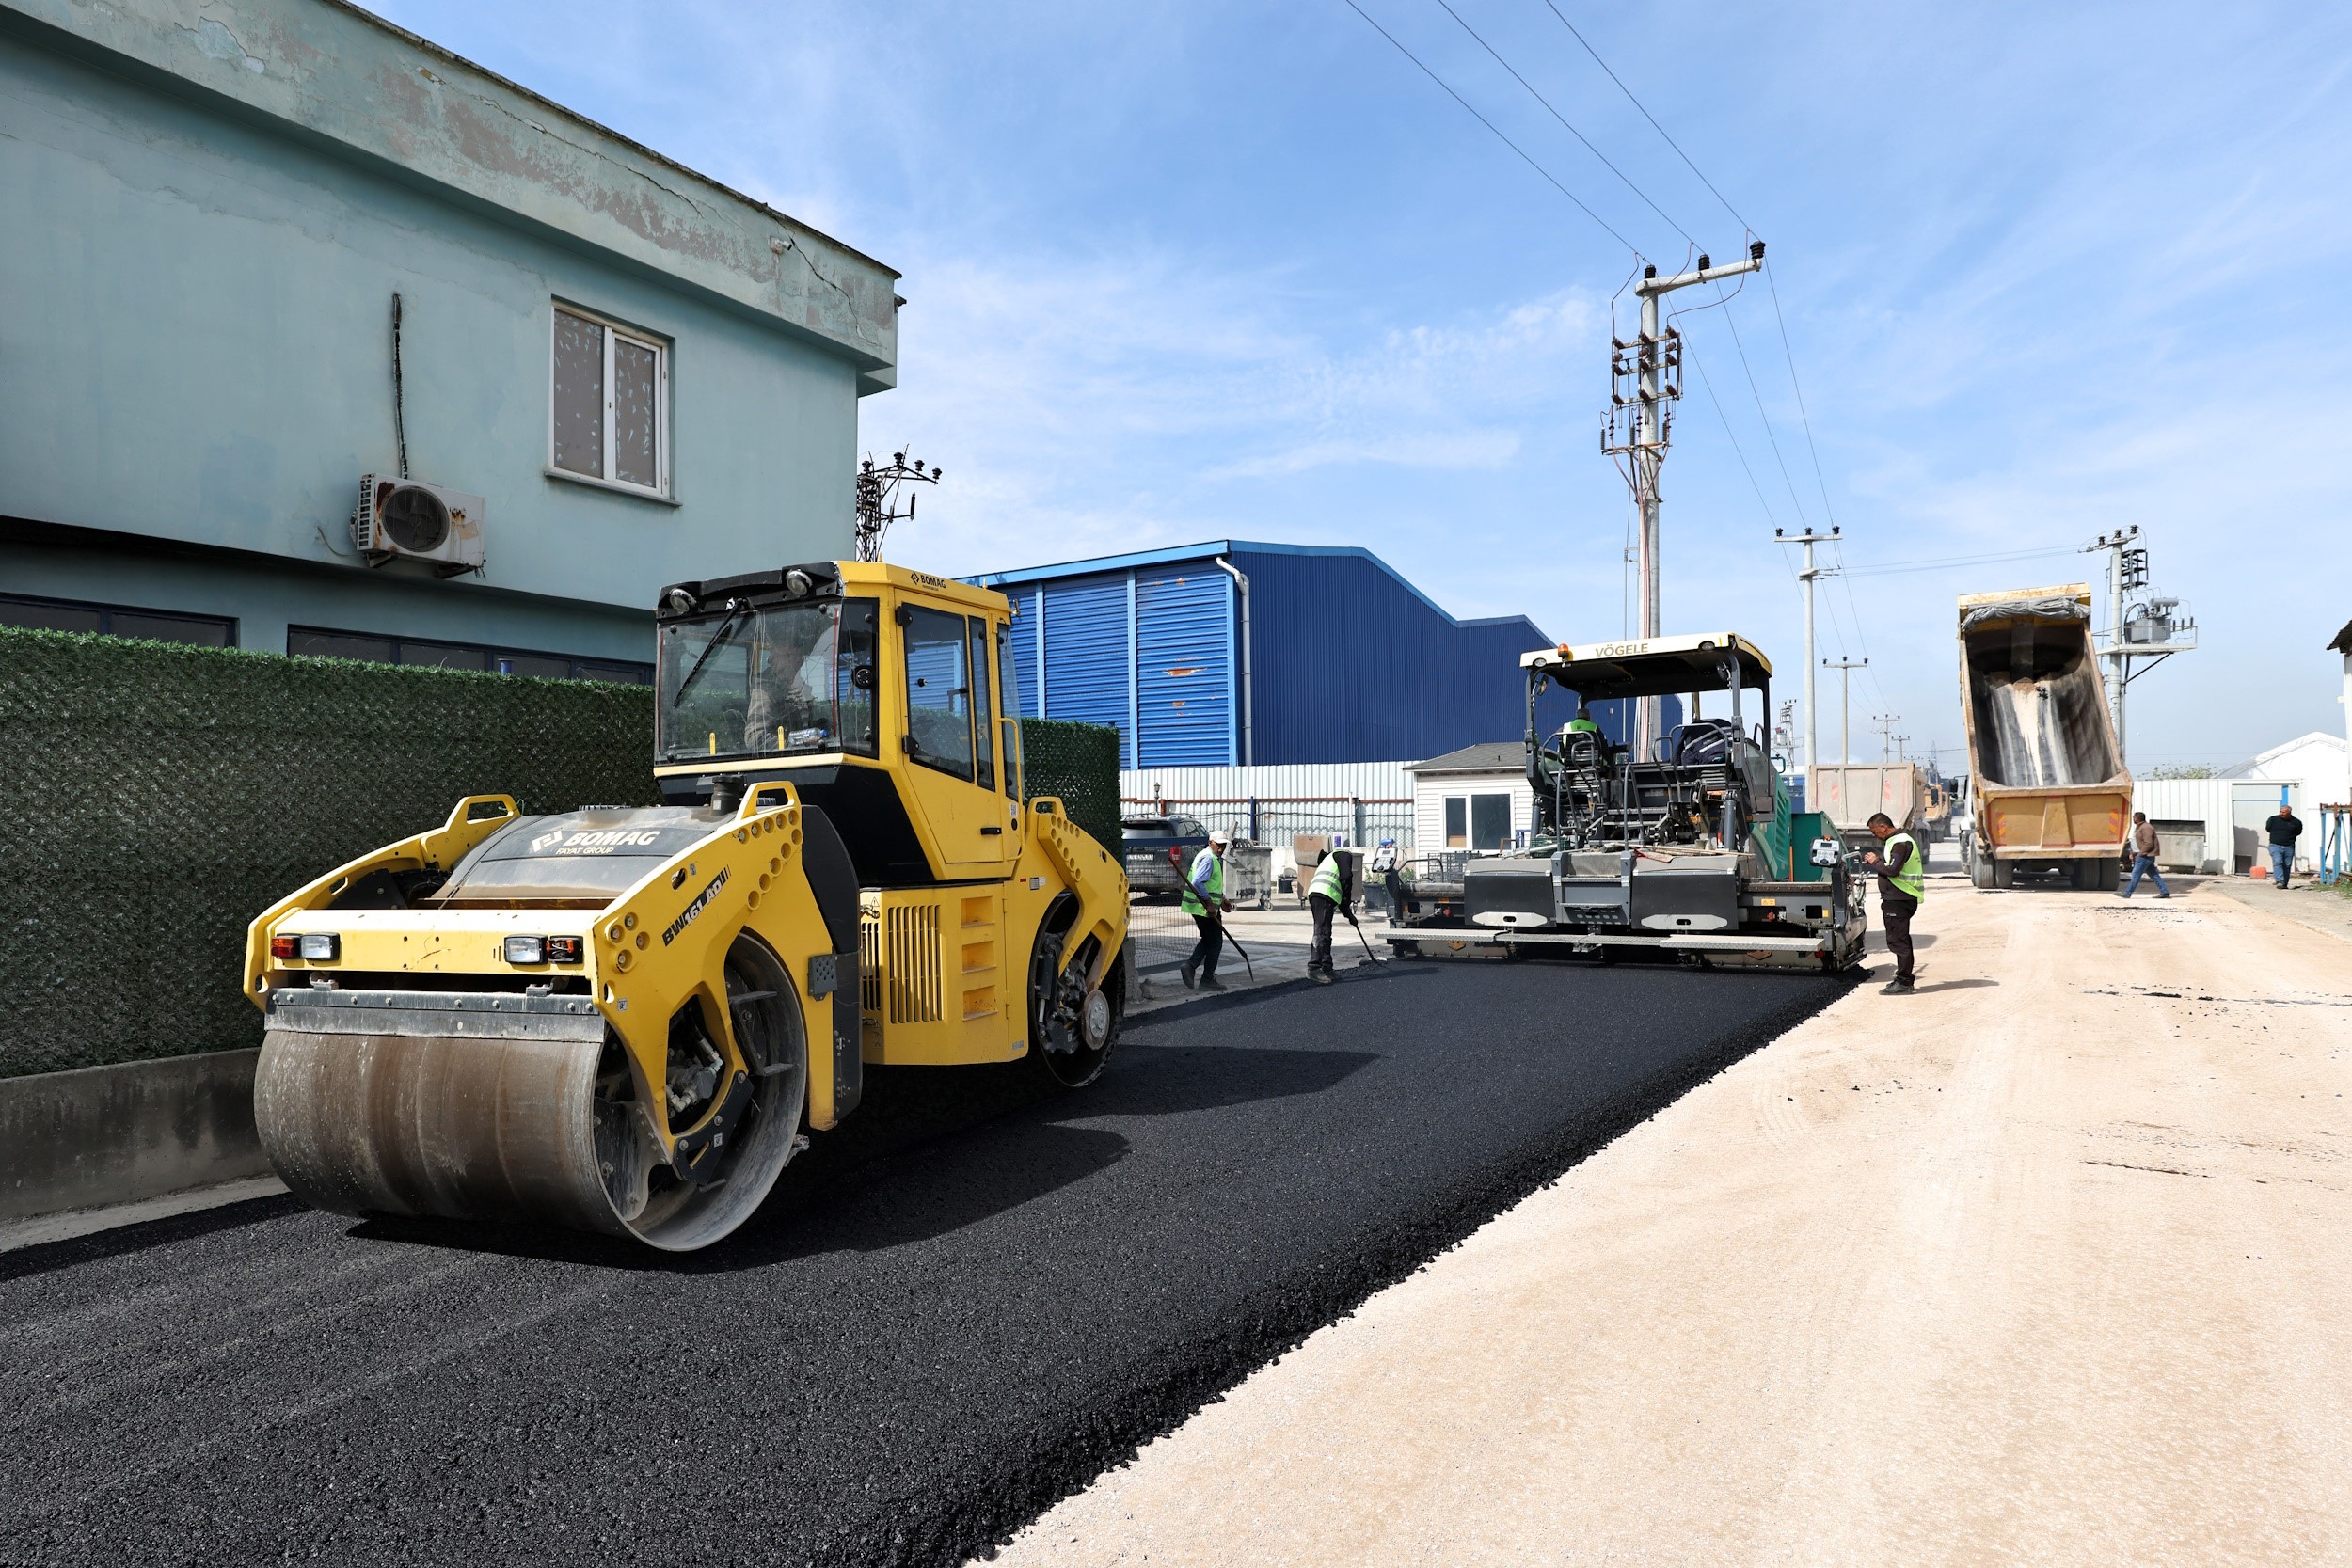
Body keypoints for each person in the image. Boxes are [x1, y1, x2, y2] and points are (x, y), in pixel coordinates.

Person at [1860, 811, 1923, 995]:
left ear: (1883, 827)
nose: (1874, 835)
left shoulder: (1900, 842)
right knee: (1900, 939)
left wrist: (1875, 861)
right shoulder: (1896, 841)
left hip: (1899, 899)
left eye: (1874, 831)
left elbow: (1893, 870)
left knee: (1898, 941)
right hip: (1898, 898)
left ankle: (1904, 981)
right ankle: (1904, 979)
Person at [1179, 830, 1232, 991]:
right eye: (1218, 845)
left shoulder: (1210, 857)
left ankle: (1191, 966)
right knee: (1215, 943)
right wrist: (1209, 903)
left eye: (1223, 845)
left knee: (1209, 940)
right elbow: (1197, 882)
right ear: (1210, 843)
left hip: (1204, 907)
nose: (1221, 848)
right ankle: (1206, 979)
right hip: (1203, 908)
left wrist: (1221, 900)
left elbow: (1209, 884)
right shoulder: (1209, 858)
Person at [1306, 845, 1354, 986]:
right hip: (1323, 894)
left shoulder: (1330, 859)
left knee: (1325, 930)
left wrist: (1349, 914)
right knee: (1321, 931)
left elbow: (1342, 882)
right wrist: (1347, 901)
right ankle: (1314, 967)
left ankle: (1327, 967)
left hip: (1318, 894)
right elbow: (1346, 877)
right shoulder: (1344, 855)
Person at [2119, 812, 2170, 899]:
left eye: (2134, 817)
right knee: (2154, 875)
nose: (2133, 819)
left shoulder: (2146, 827)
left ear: (2137, 818)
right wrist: (2132, 852)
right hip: (2143, 855)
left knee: (2136, 874)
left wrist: (2141, 853)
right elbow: (2137, 841)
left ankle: (2127, 893)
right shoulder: (2140, 827)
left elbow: (2148, 843)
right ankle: (2164, 891)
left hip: (2145, 856)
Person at [1368, 837, 1411, 923]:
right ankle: (1396, 915)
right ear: (1387, 845)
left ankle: (1398, 915)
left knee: (1396, 891)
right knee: (1393, 891)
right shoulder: (1386, 852)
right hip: (1390, 874)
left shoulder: (1389, 852)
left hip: (1391, 874)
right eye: (1389, 845)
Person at [2266, 803, 2304, 890]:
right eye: (2281, 811)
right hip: (2275, 845)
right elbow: (2268, 828)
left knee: (2287, 865)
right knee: (2278, 862)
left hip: (2289, 846)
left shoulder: (2296, 822)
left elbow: (2298, 832)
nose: (2281, 813)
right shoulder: (2273, 819)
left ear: (2289, 813)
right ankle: (2280, 881)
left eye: (2284, 812)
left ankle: (2285, 883)